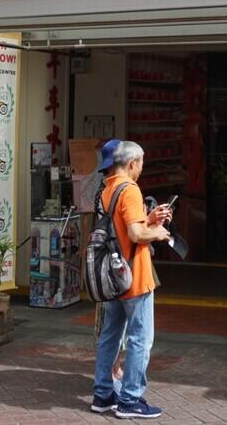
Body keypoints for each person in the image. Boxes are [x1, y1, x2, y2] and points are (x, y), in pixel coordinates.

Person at [91, 141, 173, 419]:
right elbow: (136, 235)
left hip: (114, 278)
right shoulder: (130, 189)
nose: (141, 169)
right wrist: (159, 232)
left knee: (110, 337)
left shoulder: (107, 189)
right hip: (134, 276)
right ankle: (130, 399)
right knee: (140, 339)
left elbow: (123, 228)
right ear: (132, 163)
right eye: (140, 163)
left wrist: (147, 219)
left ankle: (102, 395)